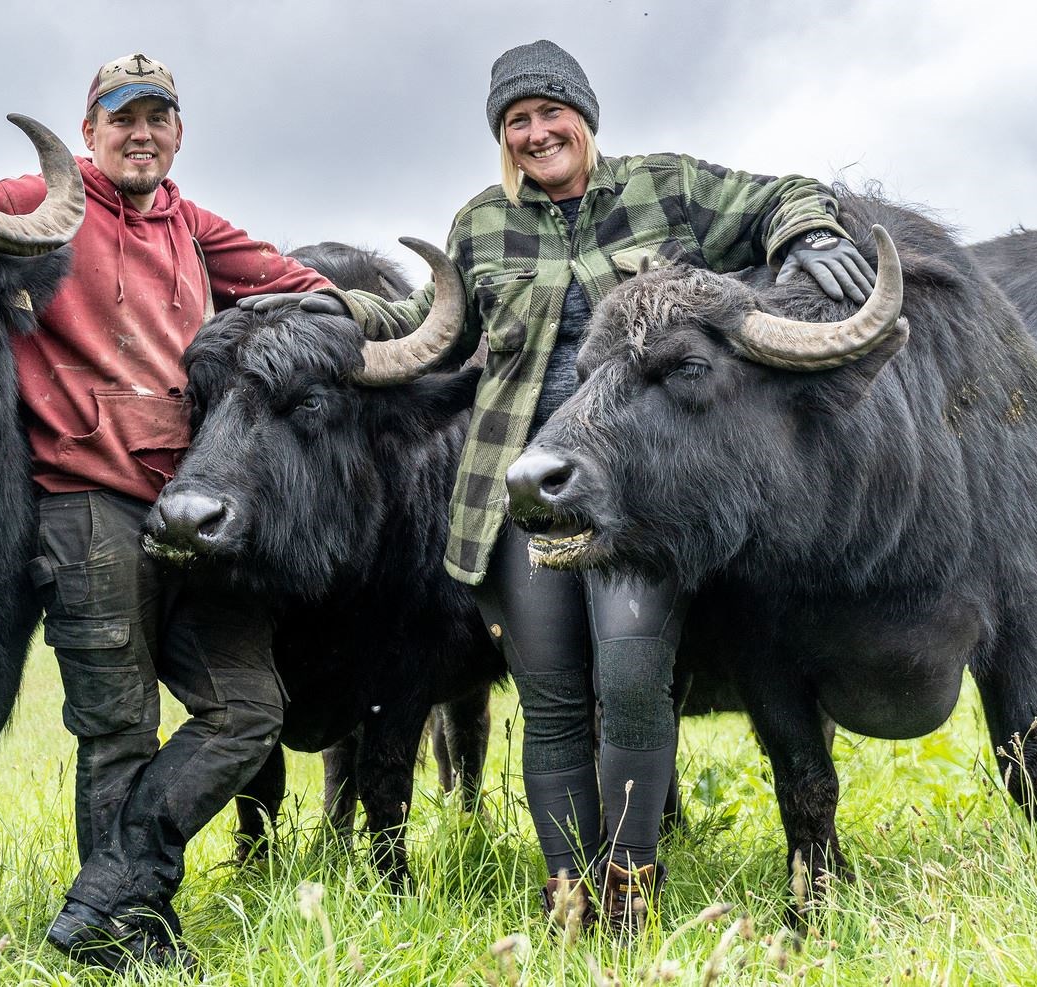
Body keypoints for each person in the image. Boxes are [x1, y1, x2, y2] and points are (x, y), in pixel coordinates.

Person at [243, 39, 873, 935]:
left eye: (549, 113)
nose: (536, 134)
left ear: (585, 115)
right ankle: (567, 894)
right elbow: (437, 326)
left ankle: (631, 889)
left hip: (634, 494)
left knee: (631, 684)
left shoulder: (667, 186)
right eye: (516, 122)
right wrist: (330, 308)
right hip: (521, 494)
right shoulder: (480, 224)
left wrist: (804, 230)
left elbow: (785, 193)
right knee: (552, 700)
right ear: (503, 138)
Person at [0, 52, 331, 972]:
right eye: (122, 118)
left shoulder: (190, 221)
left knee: (248, 708)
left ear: (178, 133)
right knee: (118, 726)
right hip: (83, 501)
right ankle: (130, 933)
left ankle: (109, 892)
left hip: (192, 504)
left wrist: (324, 330)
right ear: (88, 132)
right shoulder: (35, 199)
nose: (141, 134)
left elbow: (305, 289)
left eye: (158, 119)